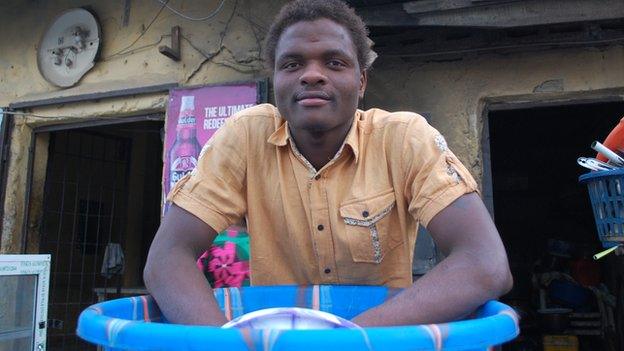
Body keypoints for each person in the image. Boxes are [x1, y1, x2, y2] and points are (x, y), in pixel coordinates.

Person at [144, 0, 513, 327]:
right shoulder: (244, 137)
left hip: (378, 342)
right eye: (292, 64)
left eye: (335, 63)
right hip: (280, 340)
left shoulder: (404, 138)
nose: (312, 74)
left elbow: (484, 263)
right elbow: (166, 258)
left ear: (362, 81)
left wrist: (347, 340)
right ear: (275, 81)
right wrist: (226, 345)